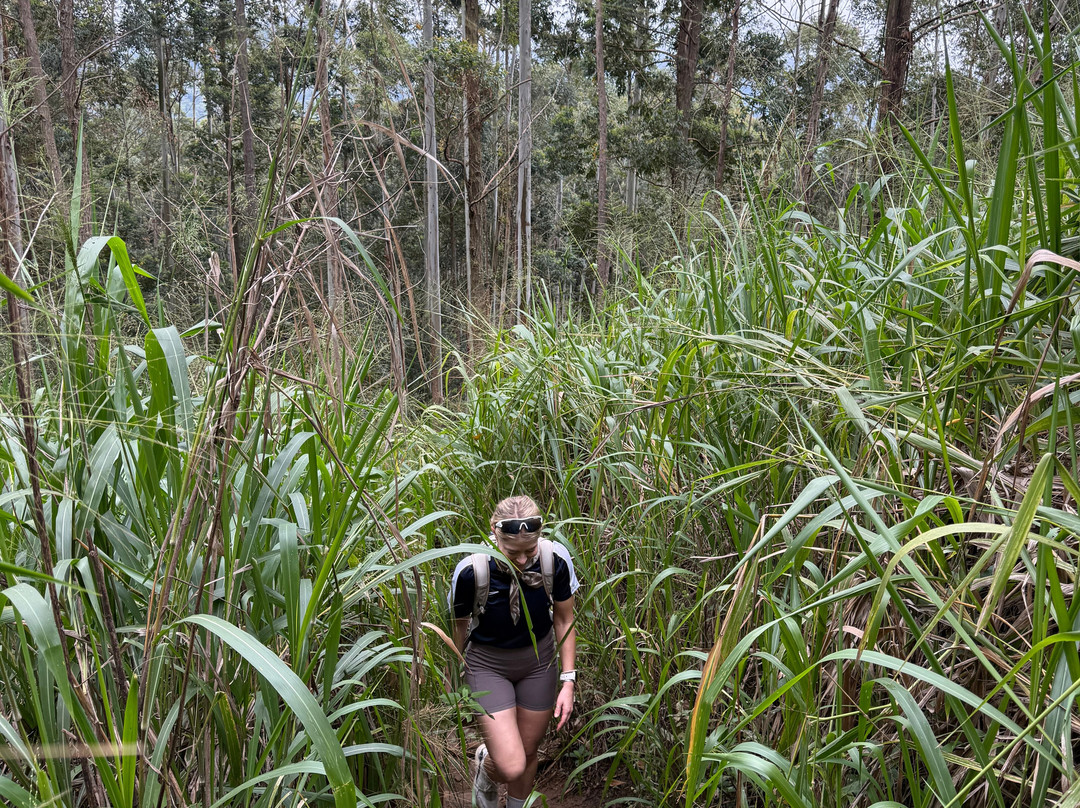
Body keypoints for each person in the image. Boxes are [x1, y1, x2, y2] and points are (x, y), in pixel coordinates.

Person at [451, 495, 579, 808]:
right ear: (494, 532)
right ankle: (486, 764)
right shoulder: (471, 571)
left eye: (529, 550)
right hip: (487, 664)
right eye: (512, 552)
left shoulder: (555, 560)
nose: (522, 560)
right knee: (511, 764)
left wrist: (568, 680)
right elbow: (458, 628)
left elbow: (564, 618)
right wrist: (454, 678)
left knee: (529, 749)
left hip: (539, 662)